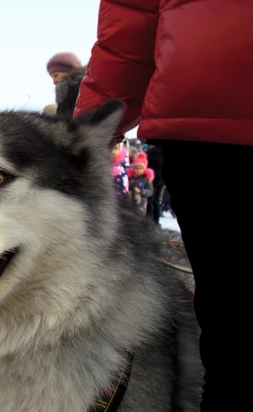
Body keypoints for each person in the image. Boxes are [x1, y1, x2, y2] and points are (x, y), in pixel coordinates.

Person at [73, 1, 253, 410]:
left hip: (204, 111)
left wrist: (87, 130)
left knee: (230, 323)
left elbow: (128, 31)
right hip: (206, 128)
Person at [46, 52, 83, 117]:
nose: (54, 82)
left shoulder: (79, 90)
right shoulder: (65, 92)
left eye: (56, 75)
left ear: (69, 71)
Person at [145, 145, 164, 224]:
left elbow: (145, 162)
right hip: (162, 178)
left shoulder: (151, 152)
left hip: (153, 177)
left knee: (151, 199)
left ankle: (150, 220)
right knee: (156, 199)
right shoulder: (163, 151)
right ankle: (156, 220)